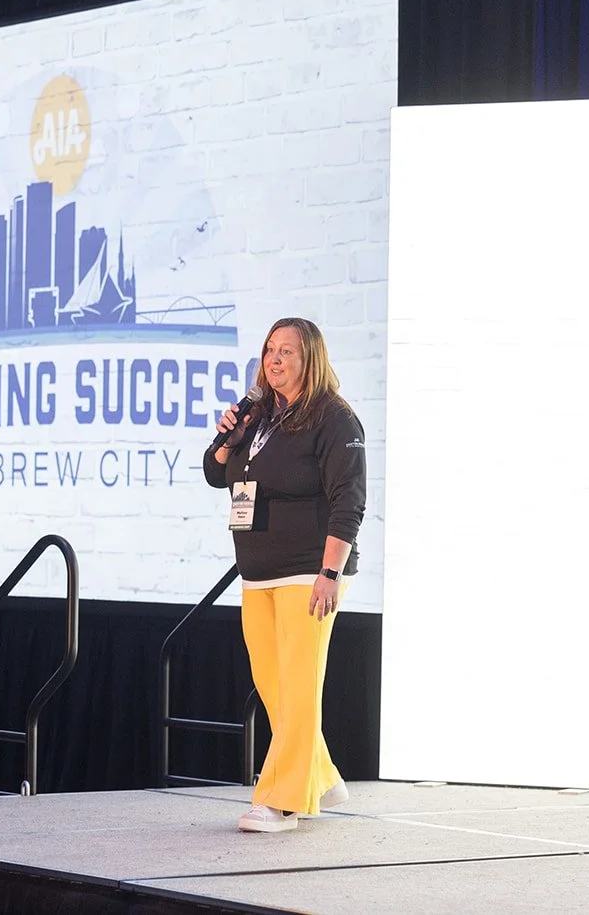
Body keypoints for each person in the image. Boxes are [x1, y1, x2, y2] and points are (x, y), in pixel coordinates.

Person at [203, 317, 366, 833]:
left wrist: (330, 571)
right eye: (269, 350)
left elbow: (349, 501)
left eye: (287, 352)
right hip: (257, 572)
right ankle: (320, 774)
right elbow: (215, 473)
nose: (275, 360)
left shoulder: (334, 419)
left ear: (310, 358)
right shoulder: (257, 414)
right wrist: (228, 434)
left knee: (298, 687)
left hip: (308, 572)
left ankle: (281, 801)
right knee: (273, 684)